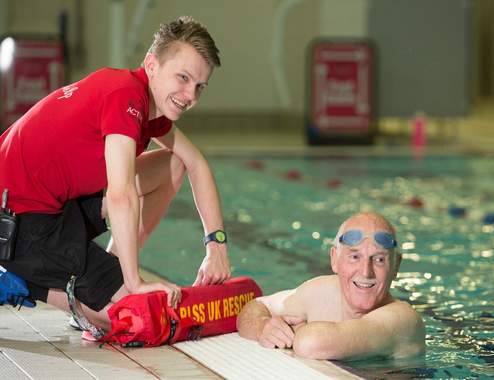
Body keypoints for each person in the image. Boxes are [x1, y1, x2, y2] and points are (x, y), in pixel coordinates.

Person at [0, 16, 230, 334]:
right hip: (19, 223)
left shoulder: (146, 107)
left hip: (53, 205)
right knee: (131, 320)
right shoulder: (126, 97)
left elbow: (195, 164)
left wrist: (216, 246)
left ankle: (105, 279)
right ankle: (24, 284)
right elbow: (121, 194)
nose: (190, 94)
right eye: (183, 77)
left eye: (199, 86)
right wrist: (134, 282)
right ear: (152, 64)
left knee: (173, 163)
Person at [237, 212, 425, 360]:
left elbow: (310, 343)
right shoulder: (321, 291)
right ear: (335, 259)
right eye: (354, 256)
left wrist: (291, 331)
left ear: (396, 266)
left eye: (379, 259)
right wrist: (263, 326)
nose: (366, 272)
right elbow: (255, 306)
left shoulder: (403, 320)